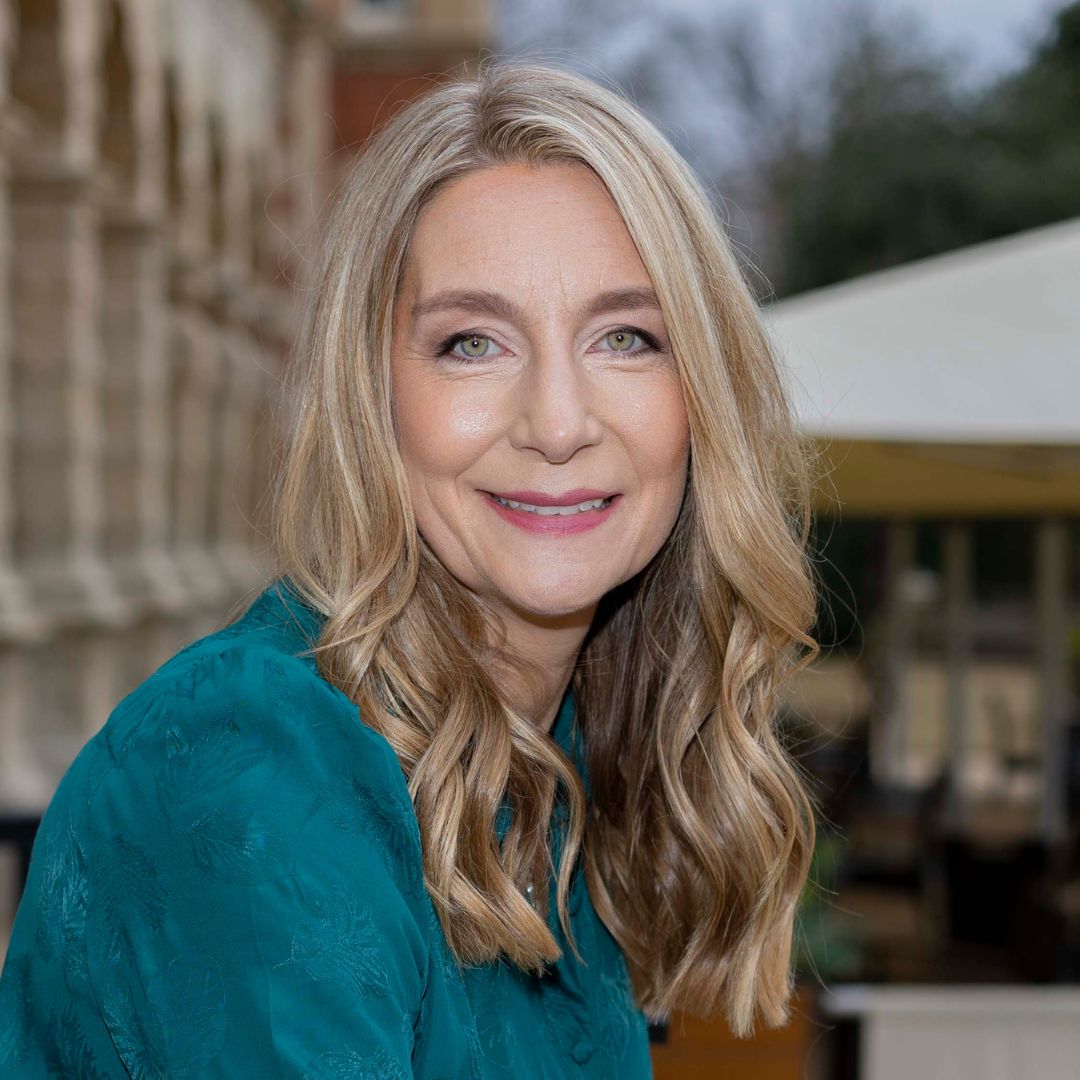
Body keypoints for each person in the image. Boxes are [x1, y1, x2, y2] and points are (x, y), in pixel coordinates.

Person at [0, 60, 821, 1077]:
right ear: (371, 400)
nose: (559, 422)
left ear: (701, 394)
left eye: (627, 337)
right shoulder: (255, 757)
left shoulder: (545, 764)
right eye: (472, 343)